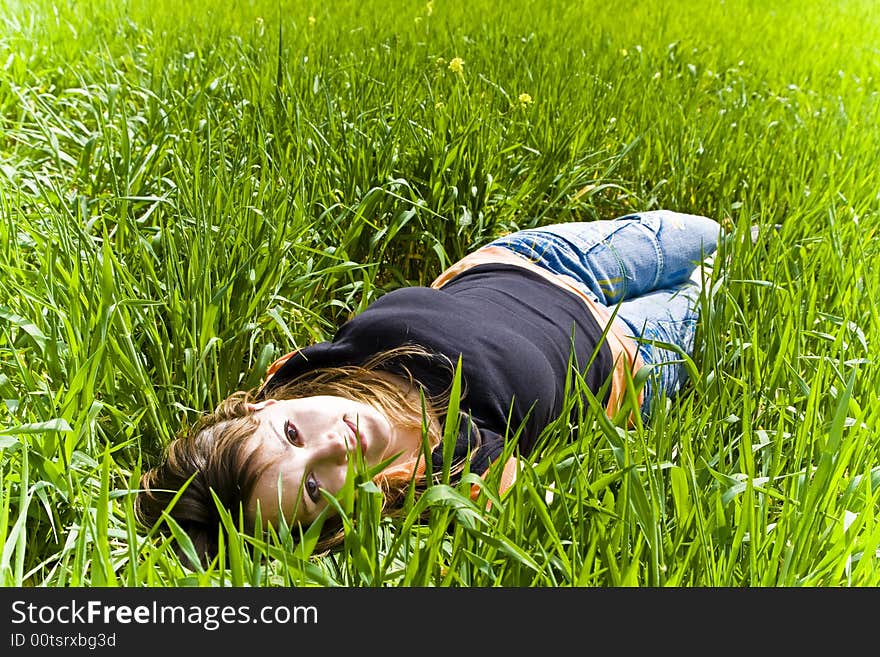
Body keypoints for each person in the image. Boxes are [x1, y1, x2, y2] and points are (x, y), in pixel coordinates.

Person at [135, 210, 723, 564]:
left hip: (539, 259)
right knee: (719, 282)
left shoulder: (299, 373)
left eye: (291, 434)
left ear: (267, 401)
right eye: (315, 488)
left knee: (710, 234)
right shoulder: (438, 475)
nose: (333, 445)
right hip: (630, 353)